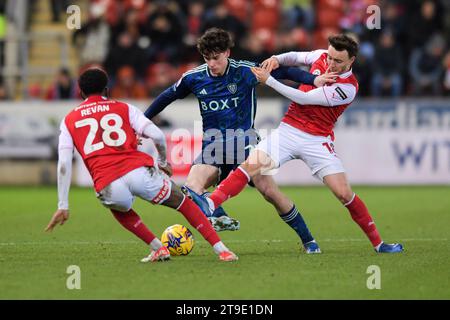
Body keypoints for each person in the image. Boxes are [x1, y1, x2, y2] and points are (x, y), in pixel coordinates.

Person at [203, 34, 404, 254]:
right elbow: (296, 56)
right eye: (329, 57)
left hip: (317, 141)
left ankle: (379, 244)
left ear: (351, 61)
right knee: (249, 167)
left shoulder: (348, 87)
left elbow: (304, 99)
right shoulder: (321, 56)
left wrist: (269, 80)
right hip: (288, 131)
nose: (331, 63)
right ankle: (210, 205)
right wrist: (277, 59)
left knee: (344, 194)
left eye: (338, 61)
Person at [144, 28, 335, 254]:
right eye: (207, 59)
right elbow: (167, 96)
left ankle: (309, 241)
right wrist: (142, 123)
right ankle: (219, 215)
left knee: (270, 192)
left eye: (216, 58)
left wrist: (314, 79)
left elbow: (284, 71)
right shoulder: (194, 78)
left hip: (245, 143)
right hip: (213, 146)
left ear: (227, 53)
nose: (212, 64)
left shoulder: (245, 71)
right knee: (191, 187)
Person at [45, 68, 238, 262]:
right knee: (183, 203)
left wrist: (63, 204)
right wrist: (162, 161)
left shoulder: (69, 120)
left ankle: (158, 248)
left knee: (119, 208)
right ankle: (222, 251)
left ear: (81, 92)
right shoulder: (124, 108)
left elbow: (63, 164)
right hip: (139, 171)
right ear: (106, 89)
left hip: (107, 182)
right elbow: (157, 135)